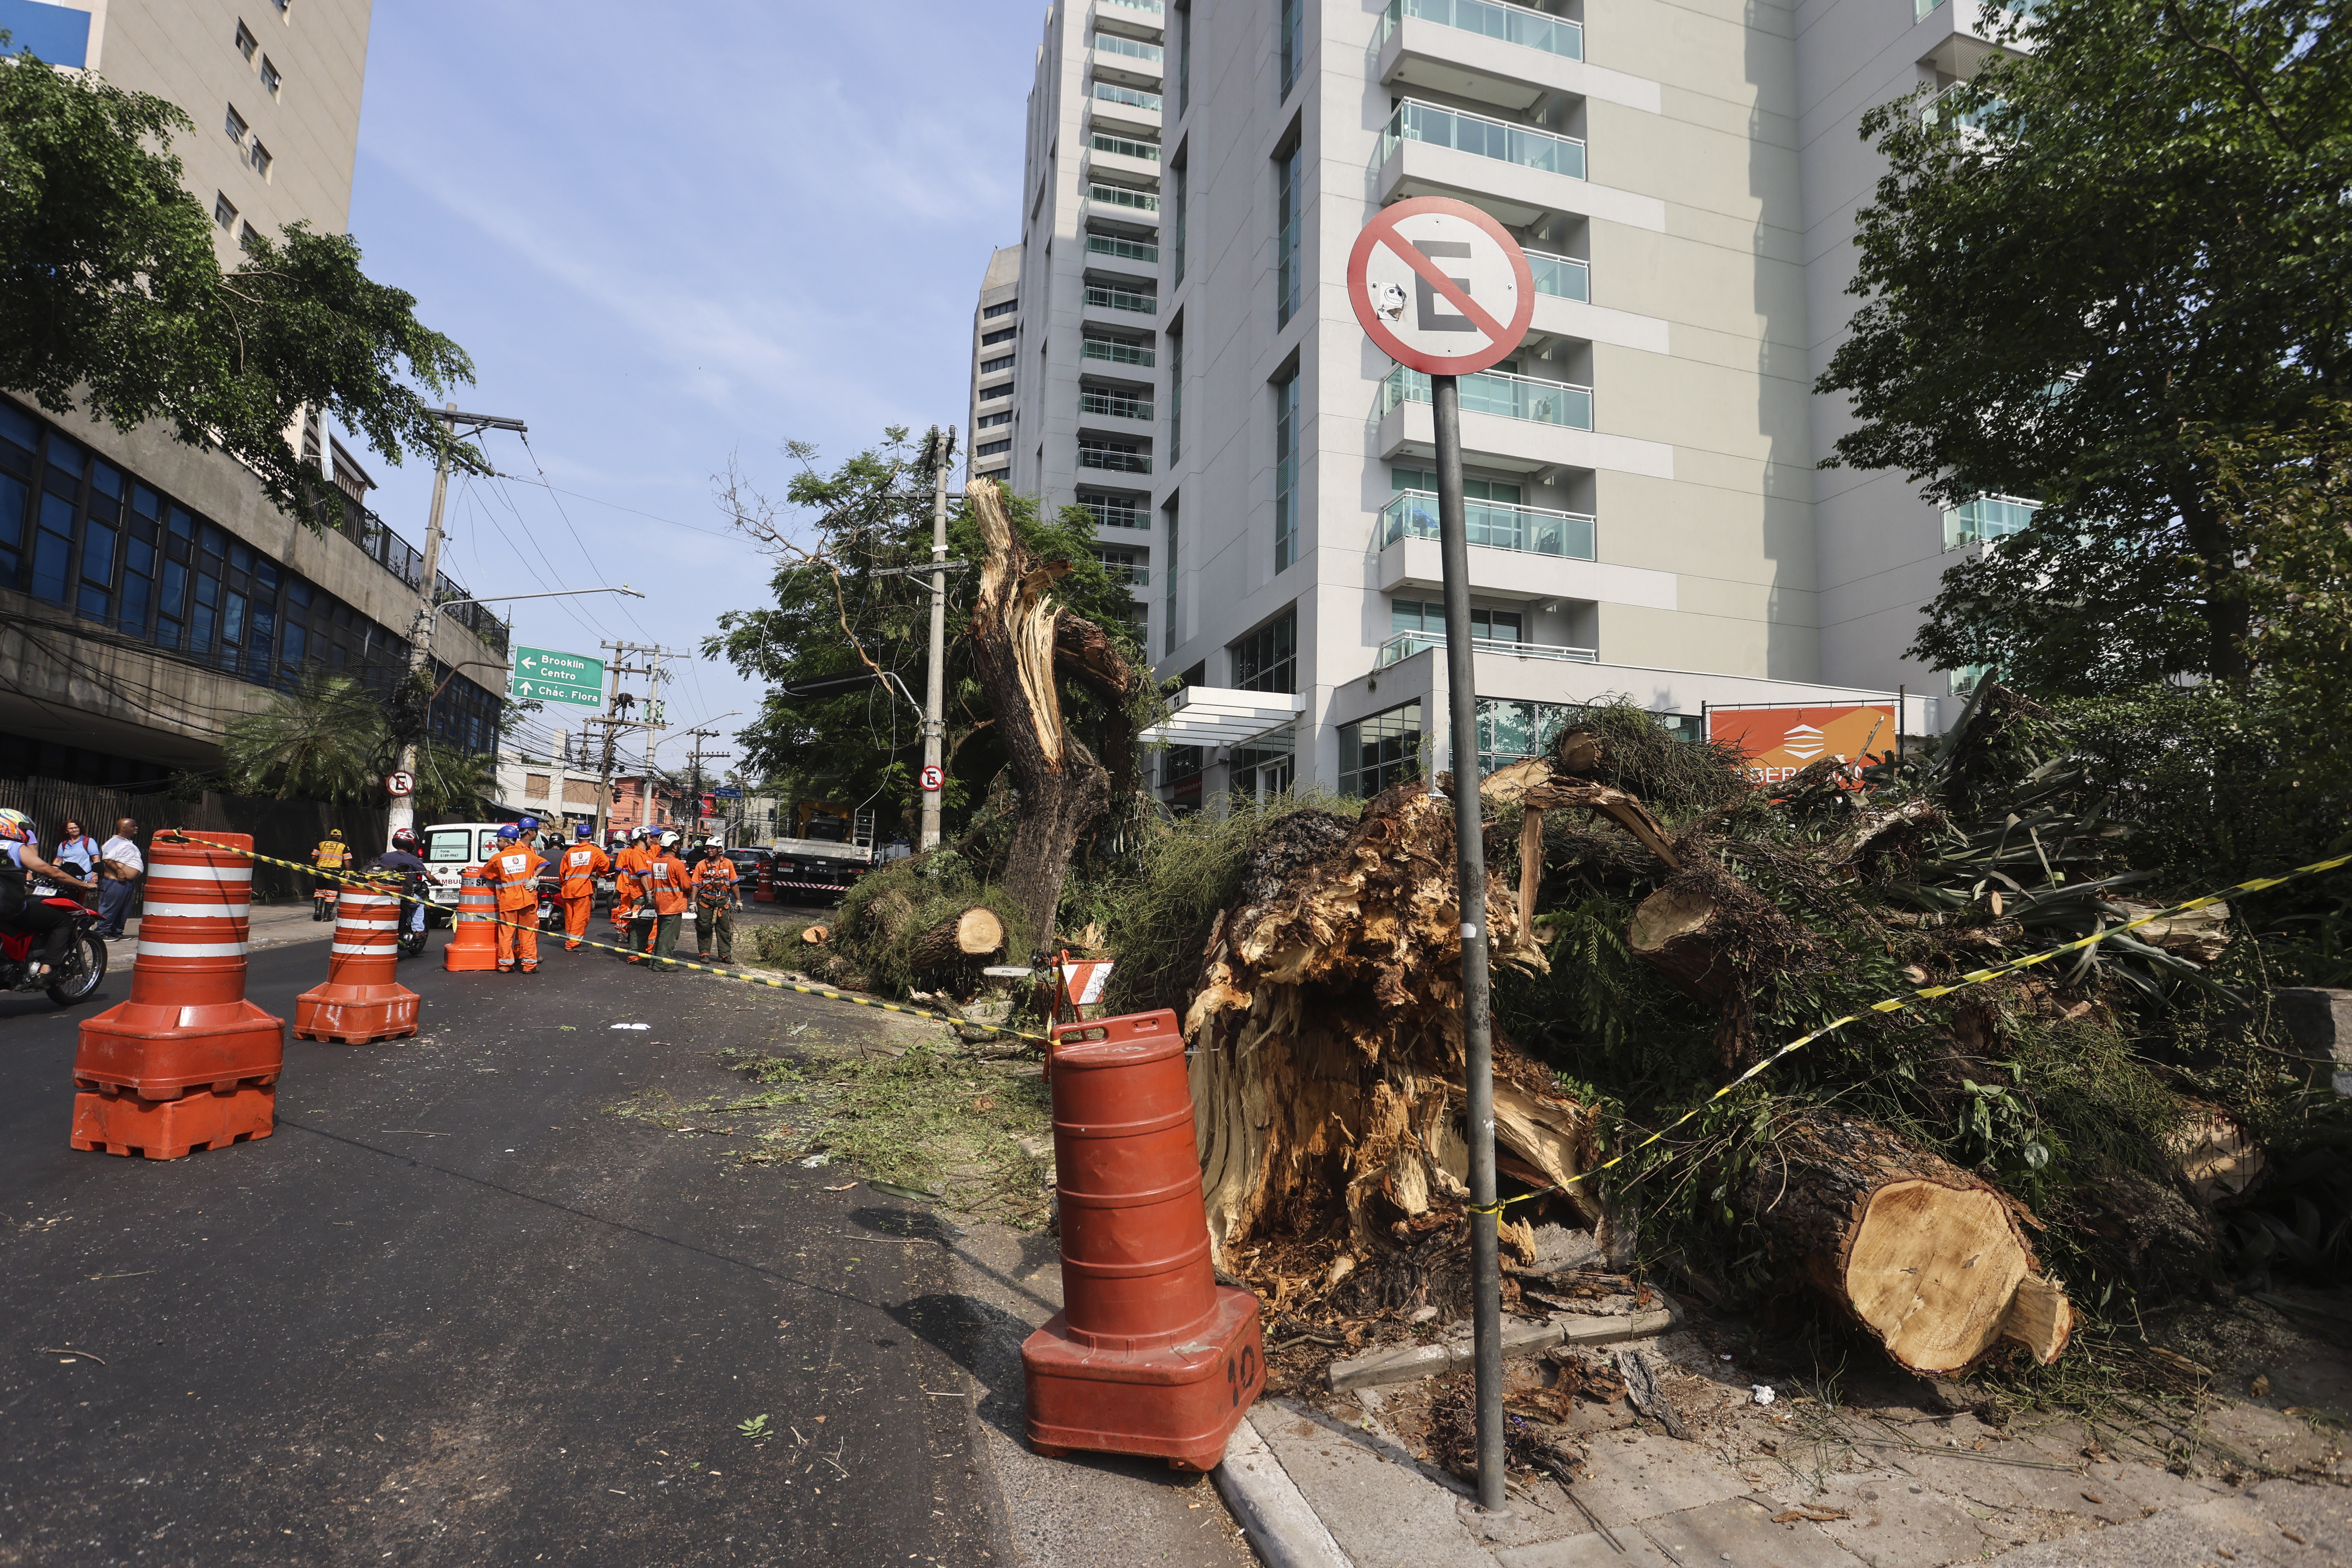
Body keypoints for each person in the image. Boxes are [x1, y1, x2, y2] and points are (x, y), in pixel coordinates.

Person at [0, 808, 95, 982]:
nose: (26, 832)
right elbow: (50, 871)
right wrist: (83, 884)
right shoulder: (14, 847)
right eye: (23, 828)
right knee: (64, 920)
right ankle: (45, 971)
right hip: (9, 908)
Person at [477, 823, 545, 973]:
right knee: (527, 933)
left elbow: (485, 874)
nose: (496, 843)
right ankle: (529, 966)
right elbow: (545, 863)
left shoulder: (498, 858)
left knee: (506, 934)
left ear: (508, 842)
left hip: (508, 902)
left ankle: (505, 965)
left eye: (499, 840)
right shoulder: (527, 855)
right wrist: (534, 878)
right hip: (527, 900)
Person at [367, 828, 432, 950]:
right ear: (412, 843)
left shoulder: (385, 856)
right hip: (402, 894)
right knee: (419, 904)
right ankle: (418, 931)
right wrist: (436, 881)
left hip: (383, 892)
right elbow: (428, 875)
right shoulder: (413, 859)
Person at [642, 829, 693, 971]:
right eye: (678, 844)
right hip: (673, 904)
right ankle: (662, 964)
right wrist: (689, 894)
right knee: (669, 936)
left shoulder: (656, 862)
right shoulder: (676, 864)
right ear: (674, 846)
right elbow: (687, 885)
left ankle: (655, 961)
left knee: (662, 933)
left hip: (660, 904)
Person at [554, 822, 609, 952]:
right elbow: (605, 863)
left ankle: (571, 940)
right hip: (583, 888)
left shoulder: (570, 852)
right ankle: (573, 944)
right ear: (590, 837)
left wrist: (563, 885)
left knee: (570, 917)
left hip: (568, 889)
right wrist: (598, 874)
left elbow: (562, 872)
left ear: (578, 838)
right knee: (581, 917)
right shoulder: (595, 851)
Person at [692, 844, 740, 963]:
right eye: (707, 848)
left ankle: (725, 955)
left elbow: (734, 883)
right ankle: (704, 954)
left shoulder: (728, 864)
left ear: (719, 849)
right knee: (704, 927)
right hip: (705, 902)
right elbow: (695, 884)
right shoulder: (701, 864)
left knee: (724, 928)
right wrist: (693, 902)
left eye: (712, 848)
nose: (709, 850)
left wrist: (739, 900)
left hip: (723, 902)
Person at [96, 817, 143, 938]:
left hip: (127, 883)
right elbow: (107, 859)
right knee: (110, 907)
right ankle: (101, 932)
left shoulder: (127, 843)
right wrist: (120, 871)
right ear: (123, 828)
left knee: (123, 910)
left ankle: (116, 932)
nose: (136, 828)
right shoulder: (114, 842)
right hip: (115, 881)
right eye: (133, 826)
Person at [613, 825, 655, 961]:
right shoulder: (636, 854)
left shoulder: (645, 854)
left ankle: (643, 954)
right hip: (640, 896)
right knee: (639, 927)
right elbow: (642, 874)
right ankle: (635, 956)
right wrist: (648, 892)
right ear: (643, 837)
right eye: (649, 836)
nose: (651, 840)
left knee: (646, 926)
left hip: (645, 896)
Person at [53, 820, 101, 907]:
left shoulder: (88, 841)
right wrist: (53, 873)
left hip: (83, 878)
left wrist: (95, 874)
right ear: (66, 831)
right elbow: (58, 860)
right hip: (67, 878)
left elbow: (96, 858)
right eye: (71, 828)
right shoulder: (64, 844)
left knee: (79, 904)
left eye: (76, 827)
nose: (74, 830)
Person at [311, 828, 350, 895]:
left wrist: (323, 859)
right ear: (340, 837)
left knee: (320, 890)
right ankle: (329, 905)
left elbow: (314, 857)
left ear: (330, 836)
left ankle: (318, 906)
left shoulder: (321, 843)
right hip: (334, 870)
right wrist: (348, 872)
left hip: (320, 869)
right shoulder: (343, 845)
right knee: (332, 891)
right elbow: (347, 861)